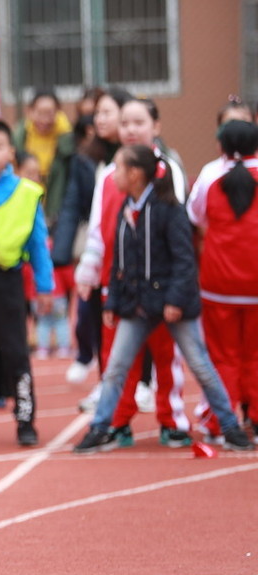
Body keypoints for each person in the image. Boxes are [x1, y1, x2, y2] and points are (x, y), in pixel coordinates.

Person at [73, 145, 253, 453]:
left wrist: (174, 301)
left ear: (135, 174)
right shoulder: (125, 209)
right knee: (115, 367)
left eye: (118, 168)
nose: (112, 175)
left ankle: (231, 427)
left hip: (173, 306)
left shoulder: (169, 208)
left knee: (200, 364)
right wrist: (113, 303)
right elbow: (119, 263)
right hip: (137, 306)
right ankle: (100, 427)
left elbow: (184, 262)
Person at [75, 97, 190, 448]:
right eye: (124, 123)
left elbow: (180, 232)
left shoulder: (169, 170)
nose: (130, 129)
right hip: (120, 286)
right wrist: (88, 270)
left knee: (166, 357)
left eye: (138, 122)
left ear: (155, 127)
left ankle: (172, 420)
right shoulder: (109, 175)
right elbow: (98, 230)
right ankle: (118, 421)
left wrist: (177, 288)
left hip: (161, 285)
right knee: (117, 360)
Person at [0, 121, 53, 446]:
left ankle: (26, 421)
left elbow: (38, 245)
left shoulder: (27, 194)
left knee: (16, 354)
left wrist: (45, 287)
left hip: (8, 283)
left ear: (10, 153)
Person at [186, 120, 258, 441]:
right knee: (254, 354)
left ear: (221, 146)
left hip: (219, 283)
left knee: (222, 356)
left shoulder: (211, 176)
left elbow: (195, 216)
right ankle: (254, 420)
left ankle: (221, 422)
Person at [52, 87, 128, 388]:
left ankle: (145, 383)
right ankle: (103, 379)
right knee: (93, 314)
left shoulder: (142, 156)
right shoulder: (85, 158)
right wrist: (61, 250)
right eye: (97, 113)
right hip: (98, 248)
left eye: (107, 112)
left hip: (137, 251)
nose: (100, 118)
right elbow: (72, 205)